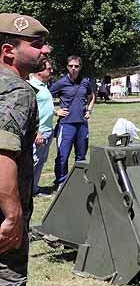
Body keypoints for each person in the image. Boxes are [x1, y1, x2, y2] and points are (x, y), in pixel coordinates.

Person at [0, 13, 50, 286]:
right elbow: (2, 152)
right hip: (4, 226)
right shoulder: (18, 91)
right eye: (35, 44)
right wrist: (13, 215)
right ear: (8, 51)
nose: (45, 50)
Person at [49, 55, 95, 190]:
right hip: (66, 124)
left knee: (81, 156)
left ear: (80, 67)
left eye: (76, 66)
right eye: (71, 66)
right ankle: (61, 182)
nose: (73, 68)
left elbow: (91, 97)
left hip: (82, 125)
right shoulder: (61, 83)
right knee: (63, 156)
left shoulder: (85, 82)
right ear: (67, 67)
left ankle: (79, 180)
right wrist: (55, 111)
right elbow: (44, 97)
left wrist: (89, 110)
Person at [28, 58, 55, 196]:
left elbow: (43, 107)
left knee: (41, 161)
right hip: (39, 132)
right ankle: (25, 190)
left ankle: (34, 188)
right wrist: (37, 132)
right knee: (34, 161)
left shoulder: (43, 86)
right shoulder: (31, 86)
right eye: (48, 69)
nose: (51, 71)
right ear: (39, 71)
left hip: (48, 130)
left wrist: (55, 112)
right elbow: (30, 112)